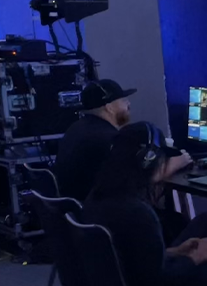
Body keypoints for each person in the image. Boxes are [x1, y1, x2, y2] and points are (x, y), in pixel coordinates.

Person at [82, 122, 207, 286]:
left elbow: (132, 261)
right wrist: (198, 255)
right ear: (147, 161)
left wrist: (175, 252)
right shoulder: (137, 213)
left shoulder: (96, 199)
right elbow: (159, 281)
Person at [55, 79, 191, 202]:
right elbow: (137, 181)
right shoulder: (107, 139)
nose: (129, 104)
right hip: (102, 214)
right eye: (124, 100)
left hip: (81, 212)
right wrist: (177, 162)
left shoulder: (77, 129)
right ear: (109, 107)